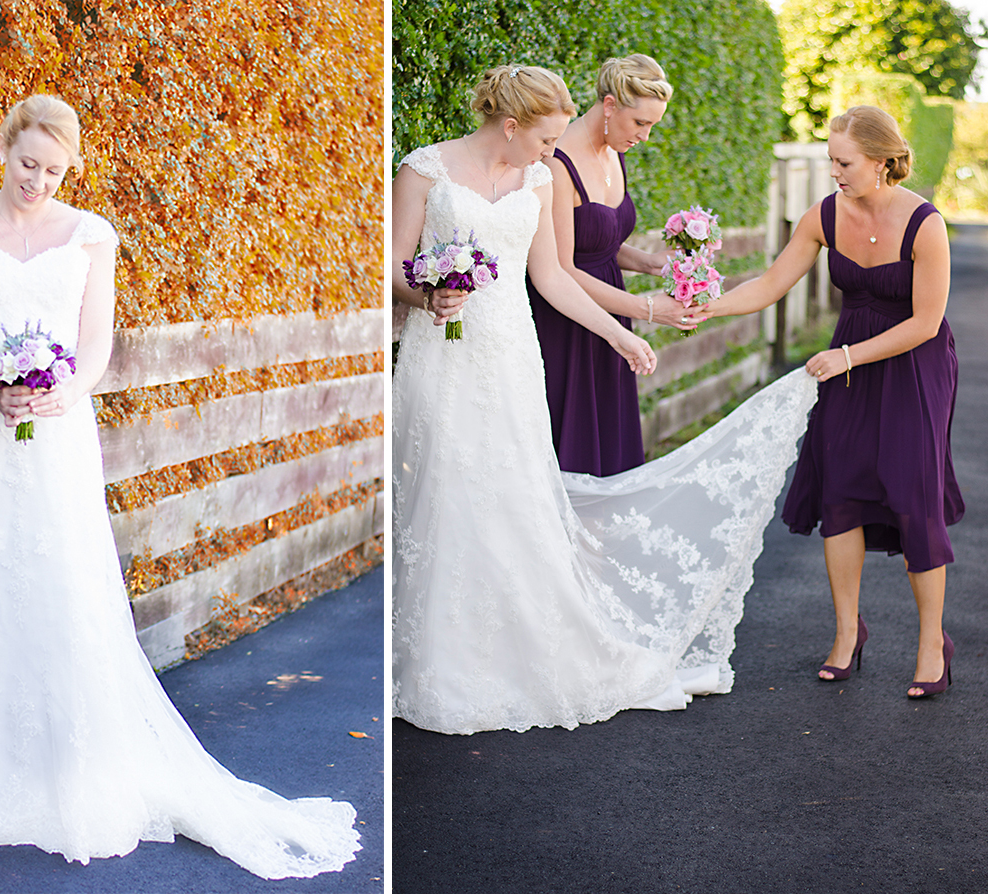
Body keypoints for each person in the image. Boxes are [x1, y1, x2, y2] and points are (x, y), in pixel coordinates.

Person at [0, 95, 361, 877]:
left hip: (57, 433)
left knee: (61, 586)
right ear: (3, 147)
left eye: (52, 169)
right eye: (26, 163)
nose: (36, 181)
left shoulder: (91, 234)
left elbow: (96, 345)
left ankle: (70, 772)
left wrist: (57, 393)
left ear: (69, 166)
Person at [391, 66, 818, 735]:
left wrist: (622, 334)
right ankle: (432, 653)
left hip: (509, 354)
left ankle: (507, 645)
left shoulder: (536, 179)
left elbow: (553, 276)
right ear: (511, 125)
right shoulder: (423, 170)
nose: (549, 154)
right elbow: (392, 264)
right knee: (443, 489)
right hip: (439, 354)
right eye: (544, 139)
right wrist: (428, 294)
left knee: (511, 495)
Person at [701, 105, 962, 698]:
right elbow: (771, 284)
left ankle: (931, 644)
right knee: (840, 488)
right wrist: (706, 306)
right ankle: (848, 633)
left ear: (881, 161)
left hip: (912, 366)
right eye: (831, 162)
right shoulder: (821, 216)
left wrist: (847, 356)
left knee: (911, 492)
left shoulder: (925, 223)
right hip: (846, 367)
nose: (835, 173)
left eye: (844, 163)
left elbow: (926, 321)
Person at [527, 54, 694, 476]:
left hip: (613, 311)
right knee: (575, 449)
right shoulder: (556, 163)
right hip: (567, 317)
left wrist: (655, 264)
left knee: (610, 449)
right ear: (609, 105)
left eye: (653, 125)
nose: (645, 135)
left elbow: (601, 242)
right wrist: (647, 308)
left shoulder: (614, 152)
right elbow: (563, 266)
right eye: (640, 123)